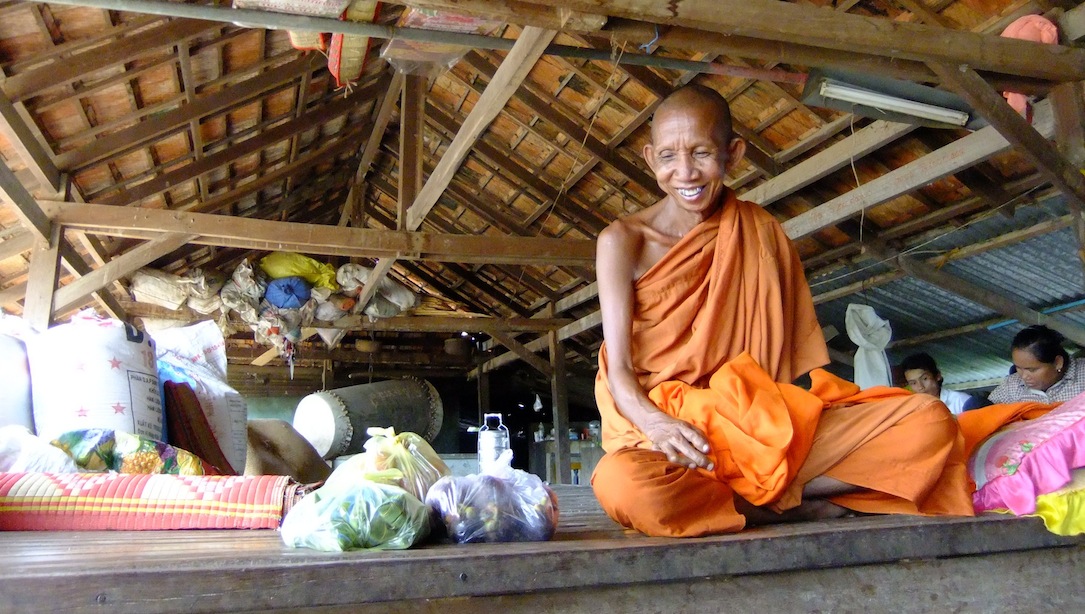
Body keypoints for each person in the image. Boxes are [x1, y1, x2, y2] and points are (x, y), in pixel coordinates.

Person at [589, 84, 974, 537]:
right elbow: (619, 371)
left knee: (928, 422)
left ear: (733, 154)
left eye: (701, 153)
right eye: (670, 157)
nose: (686, 173)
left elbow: (777, 372)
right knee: (626, 488)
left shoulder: (759, 231)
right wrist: (657, 424)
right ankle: (784, 504)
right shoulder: (622, 242)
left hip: (753, 419)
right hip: (677, 434)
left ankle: (762, 497)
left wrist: (767, 436)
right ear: (651, 158)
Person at [988, 325, 1085, 404]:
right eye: (1018, 368)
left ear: (1058, 363)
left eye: (1032, 370)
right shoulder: (1011, 386)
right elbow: (987, 414)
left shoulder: (1082, 376)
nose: (1024, 376)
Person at [901, 352, 987, 416]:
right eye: (913, 383)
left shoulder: (961, 401)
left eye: (924, 379)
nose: (920, 387)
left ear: (937, 376)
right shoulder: (913, 411)